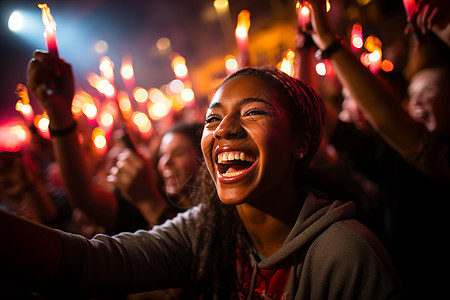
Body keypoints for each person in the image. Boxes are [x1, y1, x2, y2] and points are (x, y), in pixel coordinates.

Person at [0, 52, 404, 299]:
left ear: (301, 144)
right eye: (213, 118)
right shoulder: (208, 229)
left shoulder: (346, 254)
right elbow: (92, 265)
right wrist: (59, 118)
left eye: (252, 112)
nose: (225, 129)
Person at [303, 0, 449, 298]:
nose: (418, 102)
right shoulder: (392, 160)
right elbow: (314, 114)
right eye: (414, 94)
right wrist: (313, 44)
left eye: (431, 91)